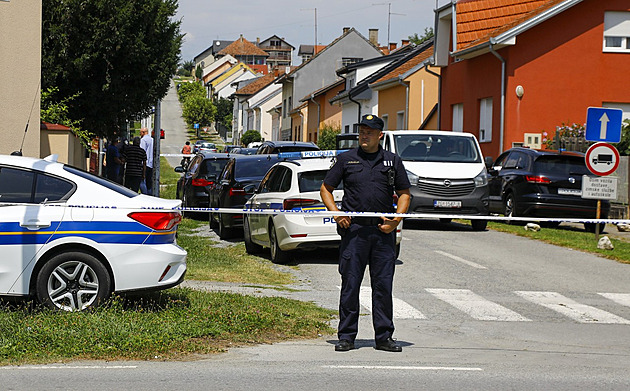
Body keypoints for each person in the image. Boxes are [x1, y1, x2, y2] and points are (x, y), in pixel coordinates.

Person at [320, 114, 411, 353]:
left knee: (383, 286)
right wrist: (337, 213)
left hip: (383, 233)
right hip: (355, 232)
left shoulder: (392, 161)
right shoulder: (346, 159)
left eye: (369, 131)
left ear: (380, 135)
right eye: (362, 131)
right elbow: (326, 188)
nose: (364, 135)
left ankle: (384, 337)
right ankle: (347, 337)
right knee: (350, 285)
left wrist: (396, 221)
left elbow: (404, 193)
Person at [139, 127, 154, 195]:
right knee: (149, 182)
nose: (140, 134)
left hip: (145, 163)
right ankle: (150, 194)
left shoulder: (143, 140)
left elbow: (142, 151)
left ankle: (145, 195)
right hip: (151, 163)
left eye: (140, 133)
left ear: (143, 132)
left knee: (142, 180)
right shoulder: (152, 140)